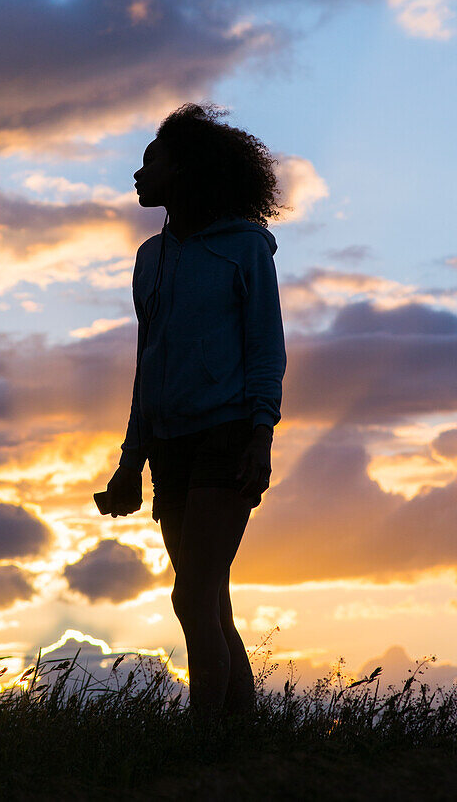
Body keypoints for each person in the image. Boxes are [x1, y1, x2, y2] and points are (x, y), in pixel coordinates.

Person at [103, 103, 286, 727]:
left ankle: (202, 741)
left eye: (151, 158)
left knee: (191, 595)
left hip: (227, 436)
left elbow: (266, 351)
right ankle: (240, 743)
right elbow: (146, 366)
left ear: (183, 170)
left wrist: (260, 439)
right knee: (211, 602)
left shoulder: (245, 251)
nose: (138, 171)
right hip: (169, 445)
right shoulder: (149, 258)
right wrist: (130, 464)